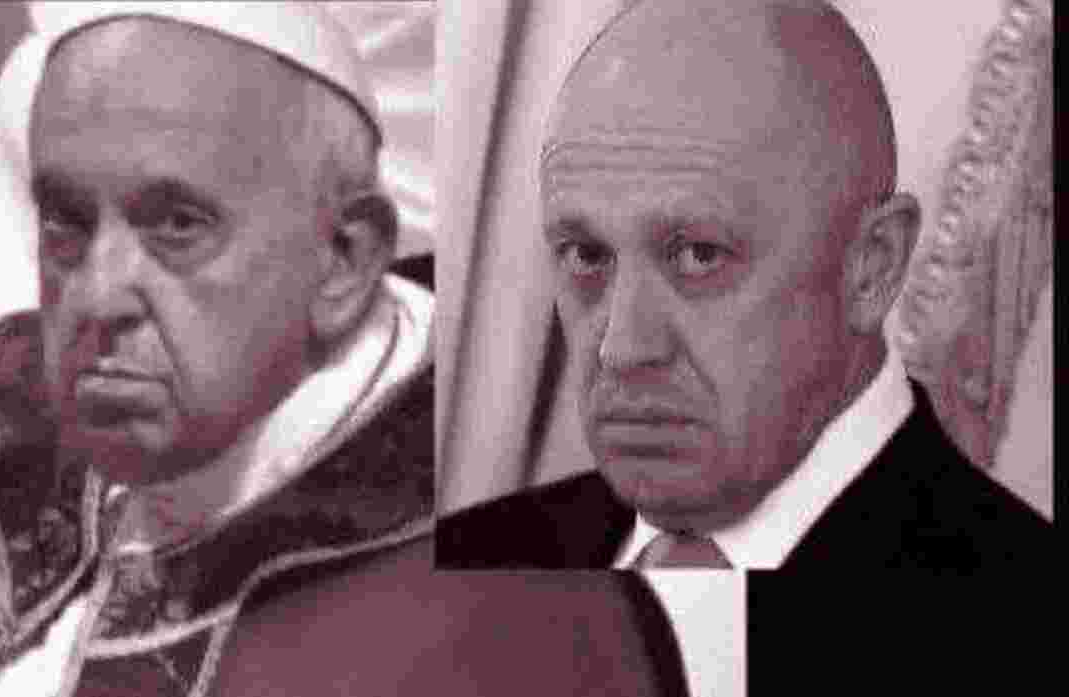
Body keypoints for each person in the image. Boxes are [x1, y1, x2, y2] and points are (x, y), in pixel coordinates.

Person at [0, 5, 686, 696]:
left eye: (178, 225)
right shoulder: (3, 401)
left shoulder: (511, 625)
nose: (97, 297)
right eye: (66, 223)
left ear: (343, 260)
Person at [436, 0, 1052, 570]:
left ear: (873, 266)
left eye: (700, 256)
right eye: (587, 256)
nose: (621, 349)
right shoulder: (478, 553)